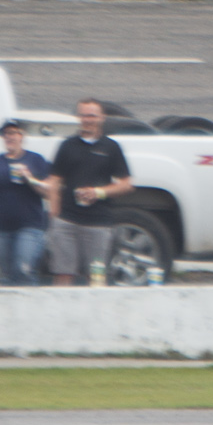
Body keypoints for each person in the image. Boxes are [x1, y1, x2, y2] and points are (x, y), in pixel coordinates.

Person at [44, 98, 133, 287]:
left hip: (98, 222)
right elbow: (54, 180)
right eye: (83, 115)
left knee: (96, 276)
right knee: (63, 273)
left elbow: (126, 184)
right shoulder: (67, 145)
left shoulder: (111, 147)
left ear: (102, 118)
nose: (87, 120)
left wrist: (98, 192)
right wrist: (55, 212)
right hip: (67, 220)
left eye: (92, 116)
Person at [0, 119, 51, 286]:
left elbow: (48, 192)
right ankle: (5, 303)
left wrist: (29, 178)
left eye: (12, 133)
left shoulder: (36, 159)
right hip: (0, 226)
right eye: (5, 134)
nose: (8, 137)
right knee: (5, 274)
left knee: (24, 270)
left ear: (21, 136)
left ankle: (29, 301)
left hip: (30, 225)